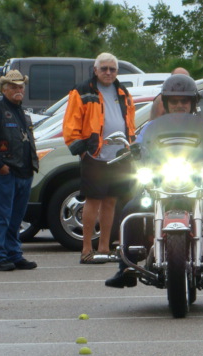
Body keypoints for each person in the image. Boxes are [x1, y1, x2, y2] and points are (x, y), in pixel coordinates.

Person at [105, 74, 203, 288]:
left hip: (199, 183)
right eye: (174, 101)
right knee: (131, 207)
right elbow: (140, 143)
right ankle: (126, 268)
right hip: (161, 184)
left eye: (184, 101)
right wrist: (130, 149)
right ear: (167, 103)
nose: (179, 105)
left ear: (192, 103)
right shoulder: (152, 127)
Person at [63, 52, 136, 264]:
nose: (108, 72)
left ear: (117, 72)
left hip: (119, 156)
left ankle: (104, 248)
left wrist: (130, 146)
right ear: (95, 70)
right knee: (92, 200)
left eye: (112, 69)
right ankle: (87, 249)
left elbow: (129, 121)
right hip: (95, 155)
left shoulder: (122, 91)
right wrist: (82, 151)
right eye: (104, 68)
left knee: (111, 201)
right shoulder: (82, 91)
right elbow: (70, 124)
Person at [0, 70, 38, 271]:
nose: (18, 90)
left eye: (20, 87)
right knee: (1, 215)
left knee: (16, 218)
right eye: (13, 87)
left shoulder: (23, 112)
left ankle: (13, 253)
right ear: (4, 89)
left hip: (25, 172)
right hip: (5, 172)